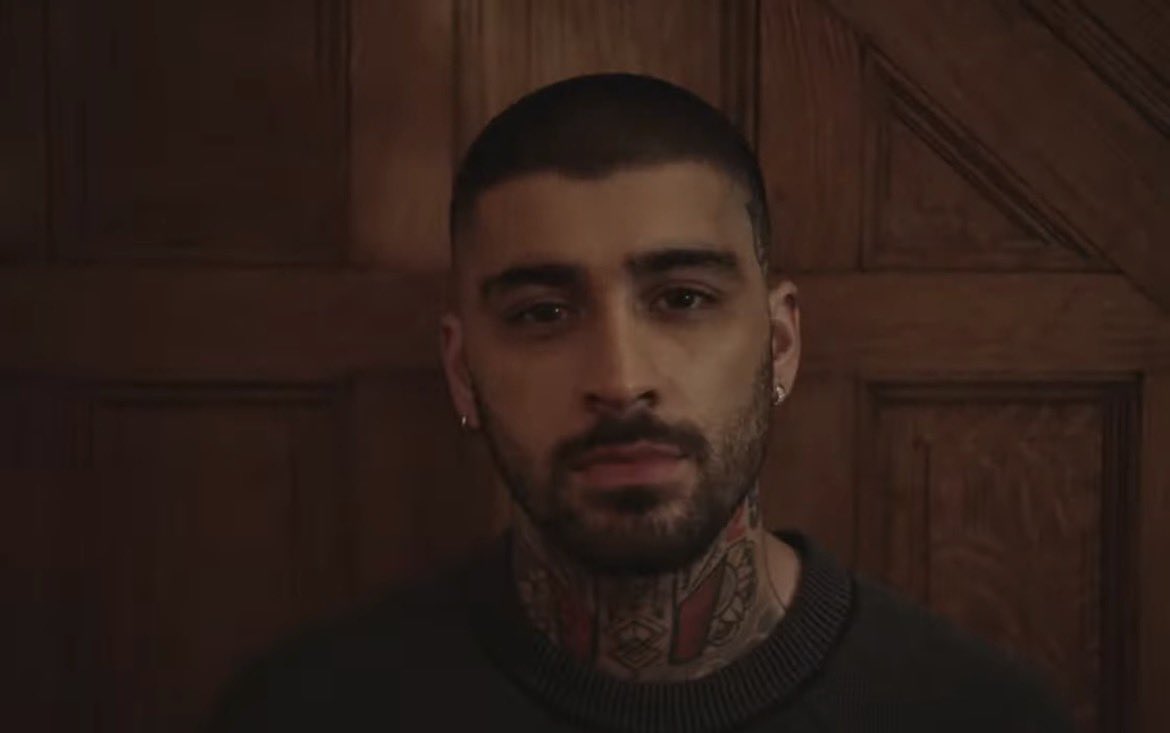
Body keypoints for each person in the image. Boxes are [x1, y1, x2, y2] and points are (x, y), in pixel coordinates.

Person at [209, 73, 1073, 732]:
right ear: (463, 369)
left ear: (779, 343)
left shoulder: (976, 714)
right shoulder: (305, 710)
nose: (621, 379)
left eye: (683, 298)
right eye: (543, 314)